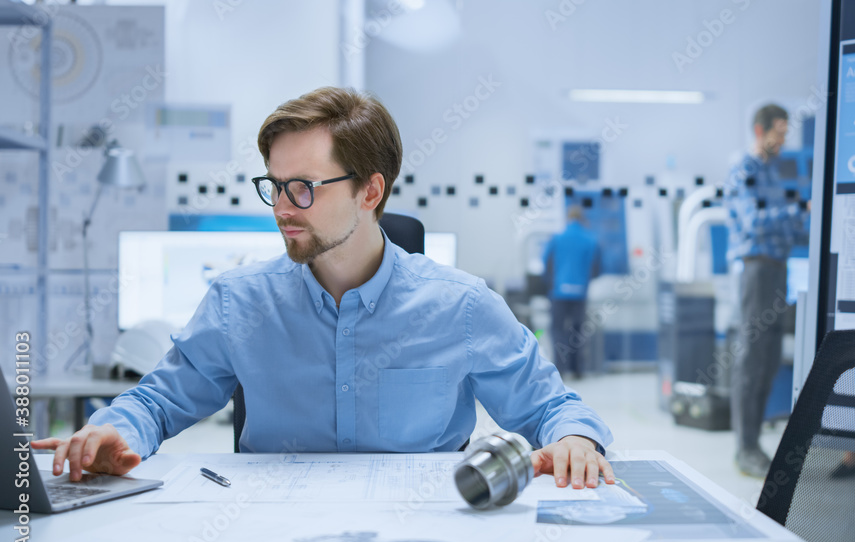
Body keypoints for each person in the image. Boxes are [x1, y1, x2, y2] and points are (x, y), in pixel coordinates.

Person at [32, 87, 615, 490]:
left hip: (423, 537)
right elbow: (156, 402)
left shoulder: (460, 307)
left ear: (370, 191)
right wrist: (114, 431)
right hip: (266, 536)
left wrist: (575, 443)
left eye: (305, 188)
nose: (283, 208)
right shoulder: (239, 303)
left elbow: (554, 409)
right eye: (275, 186)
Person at [723, 103, 809, 478]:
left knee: (770, 359)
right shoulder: (745, 171)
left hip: (778, 270)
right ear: (760, 131)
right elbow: (754, 222)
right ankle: (744, 449)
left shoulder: (773, 175)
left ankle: (755, 444)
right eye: (779, 131)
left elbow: (788, 230)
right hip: (756, 269)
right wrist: (796, 212)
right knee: (752, 359)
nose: (783, 138)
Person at [543, 206, 601, 380]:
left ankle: (560, 369)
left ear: (568, 218)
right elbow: (597, 267)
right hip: (580, 293)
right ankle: (578, 370)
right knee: (578, 331)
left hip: (559, 292)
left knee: (558, 330)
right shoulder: (591, 240)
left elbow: (546, 264)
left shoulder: (557, 238)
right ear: (582, 218)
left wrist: (550, 285)